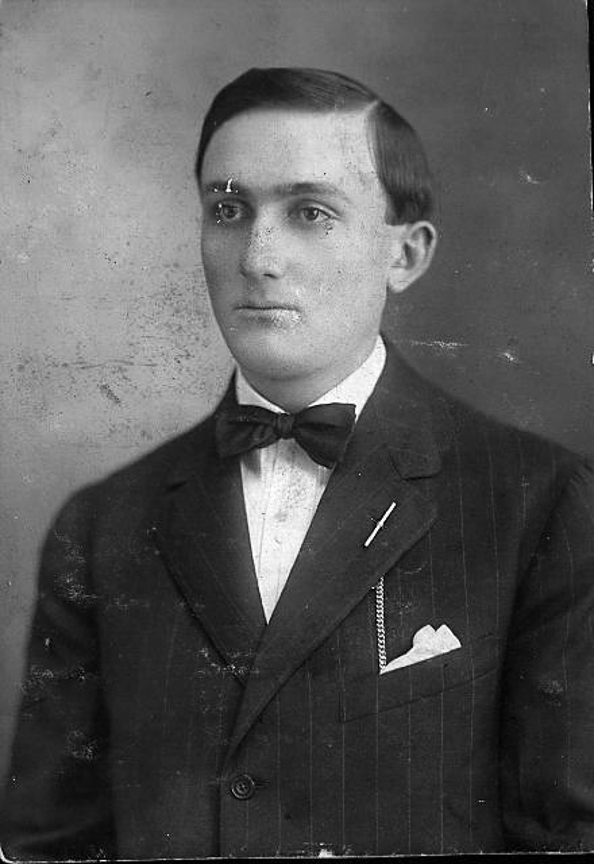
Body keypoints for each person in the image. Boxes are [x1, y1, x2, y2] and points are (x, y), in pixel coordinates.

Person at [2, 67, 594, 860]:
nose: (258, 256)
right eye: (228, 209)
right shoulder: (103, 523)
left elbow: (569, 838)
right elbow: (47, 846)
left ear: (405, 254)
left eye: (310, 212)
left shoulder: (537, 501)